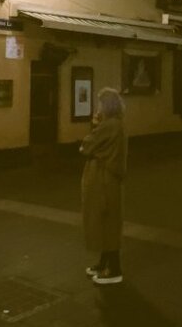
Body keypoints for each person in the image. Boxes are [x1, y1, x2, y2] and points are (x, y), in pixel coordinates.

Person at [80, 87, 128, 285]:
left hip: (104, 181)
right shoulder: (115, 124)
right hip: (108, 180)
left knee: (106, 220)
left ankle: (114, 269)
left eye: (100, 103)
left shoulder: (110, 126)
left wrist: (90, 135)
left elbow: (87, 145)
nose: (98, 106)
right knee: (106, 221)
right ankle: (105, 262)